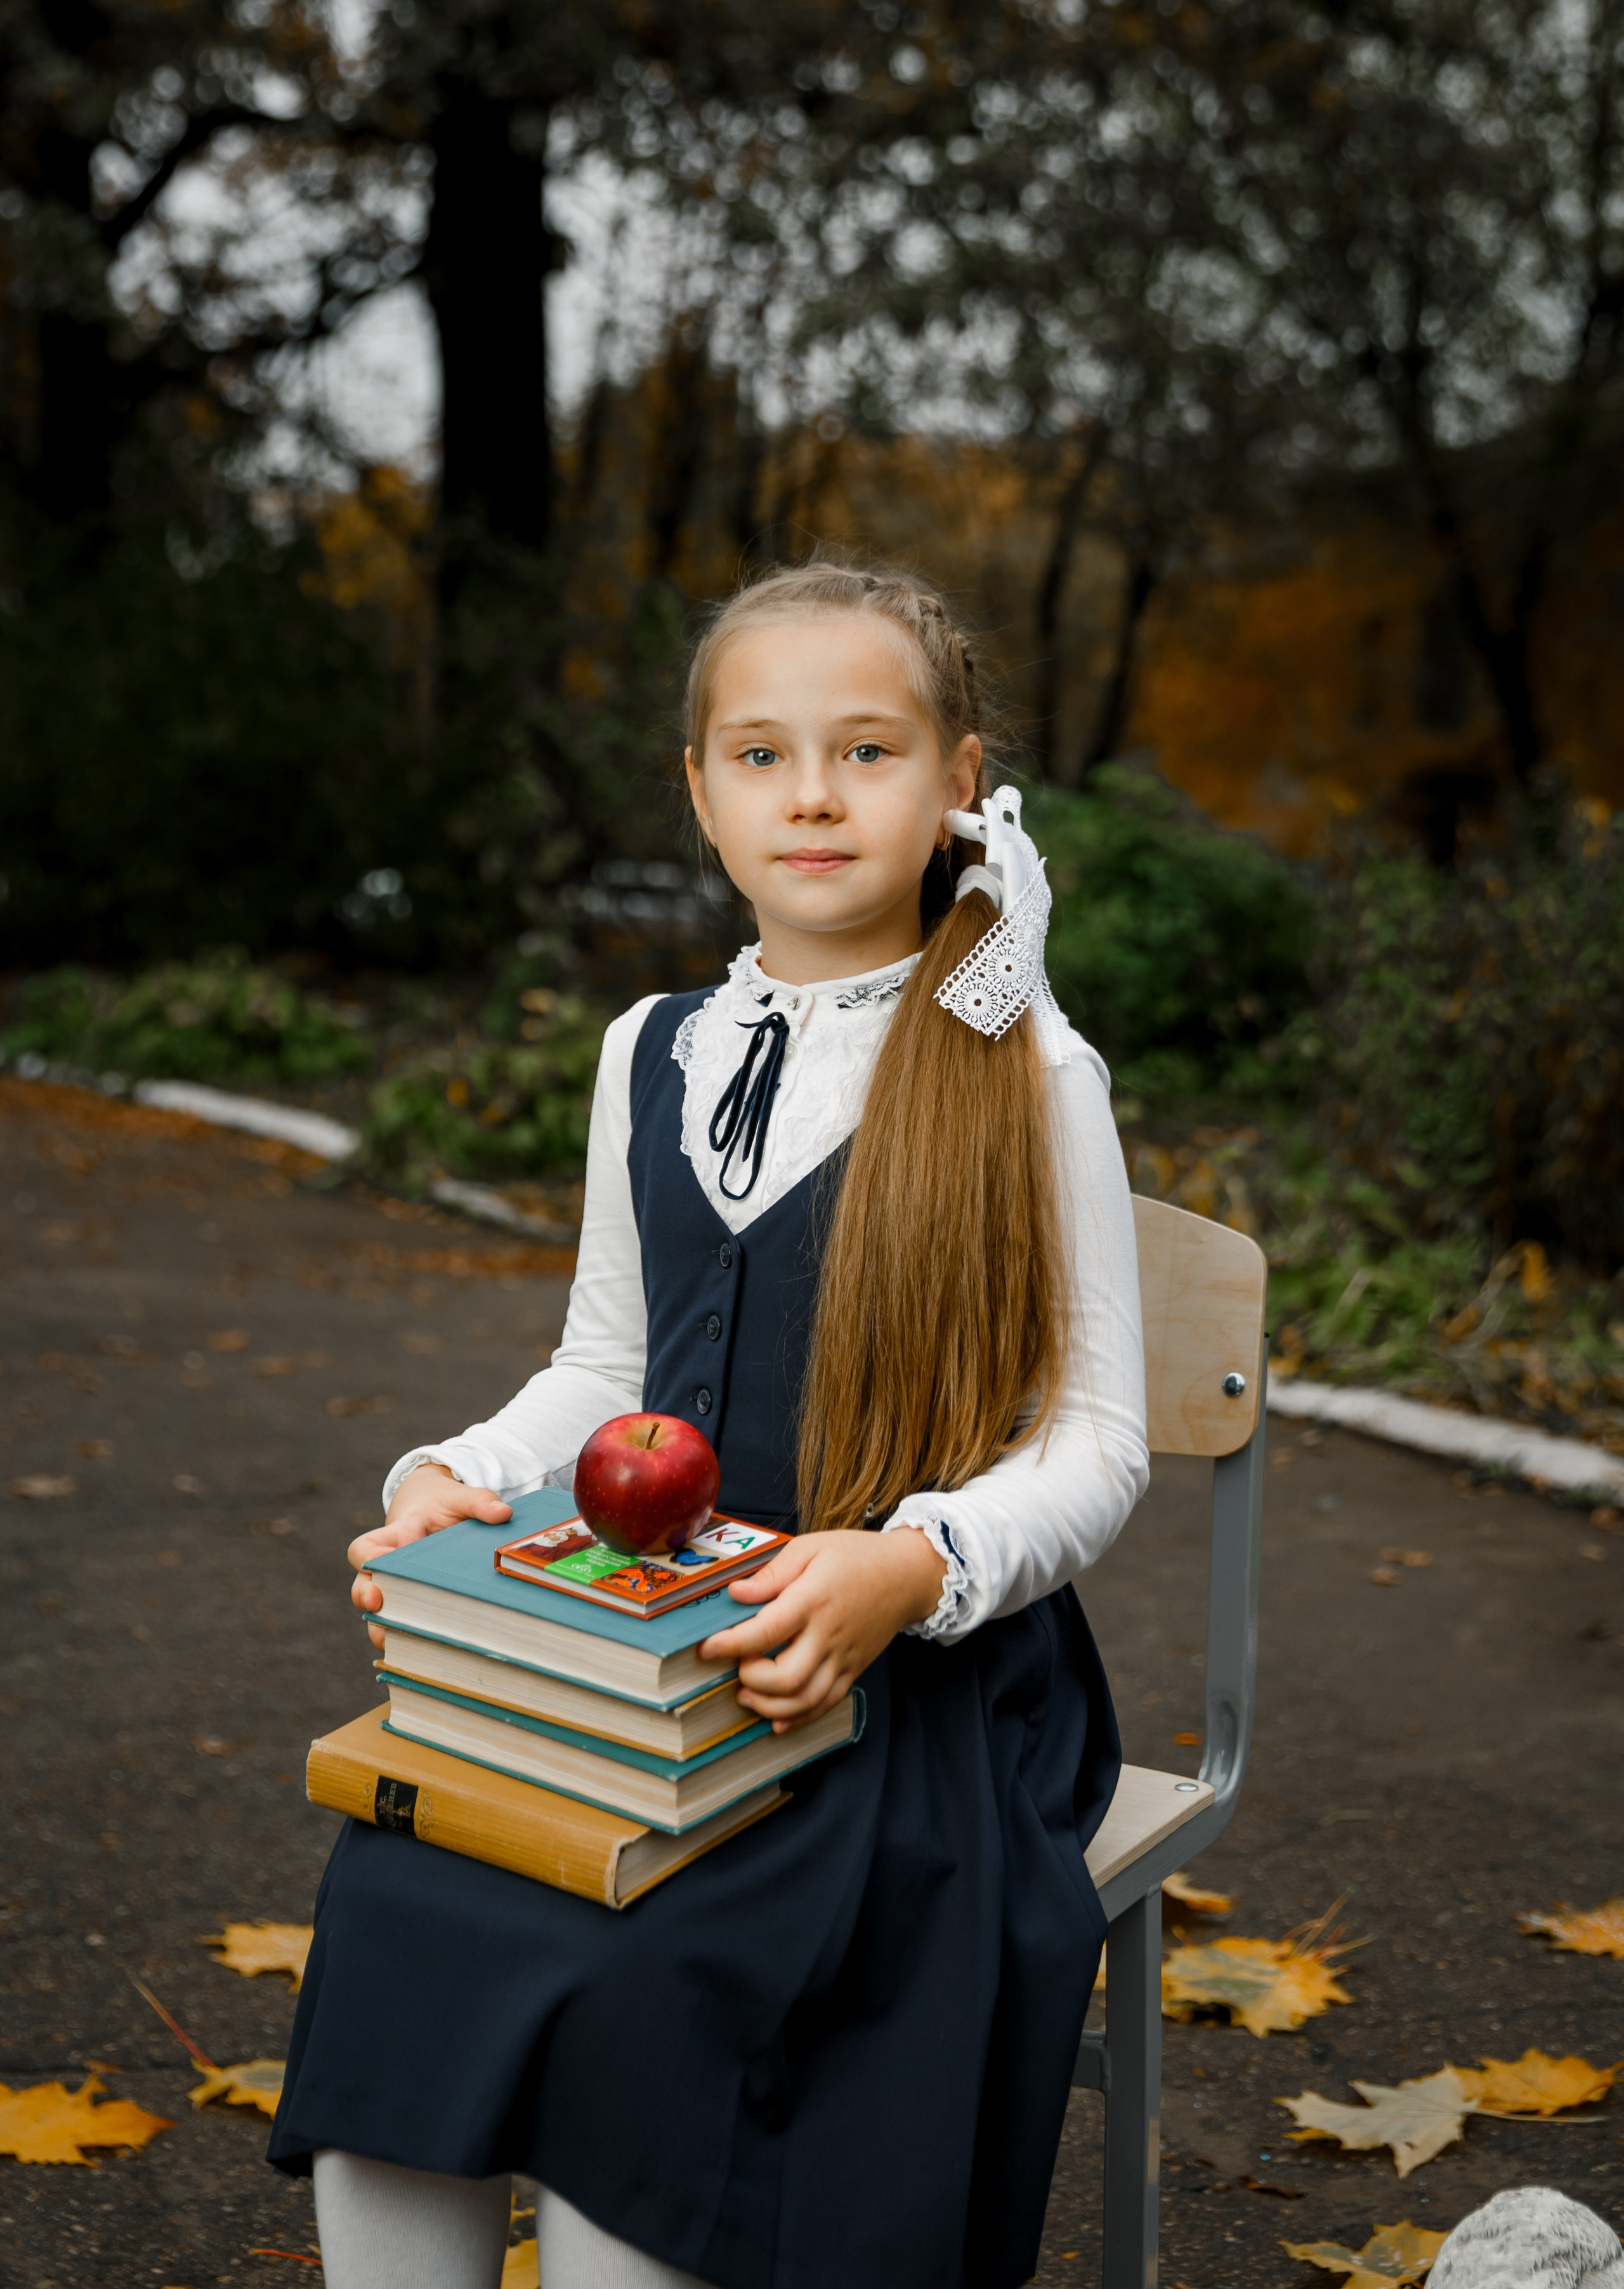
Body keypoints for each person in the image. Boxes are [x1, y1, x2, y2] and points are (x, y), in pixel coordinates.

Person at [267, 561, 1149, 2289]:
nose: (811, 795)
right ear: (699, 787)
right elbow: (612, 1367)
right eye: (760, 754)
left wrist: (912, 1567)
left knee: (651, 1976)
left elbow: (1101, 1443)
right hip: (650, 1626)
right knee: (401, 1897)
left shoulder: (1029, 1067)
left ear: (962, 781)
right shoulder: (647, 1049)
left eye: (867, 750)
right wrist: (466, 1474)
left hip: (904, 1677)